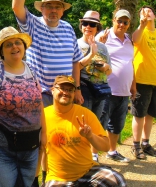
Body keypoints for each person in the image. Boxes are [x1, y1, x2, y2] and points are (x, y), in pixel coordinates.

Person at [0, 26, 46, 187]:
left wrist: (44, 134)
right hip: (0, 151)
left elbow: (39, 105)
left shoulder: (31, 71)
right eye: (8, 44)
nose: (14, 47)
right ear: (2, 51)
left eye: (18, 43)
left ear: (24, 47)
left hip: (30, 147)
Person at [12, 0, 83, 107]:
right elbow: (16, 6)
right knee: (41, 131)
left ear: (63, 10)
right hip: (40, 94)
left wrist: (77, 89)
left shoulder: (68, 28)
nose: (53, 10)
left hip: (66, 93)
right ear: (42, 8)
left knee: (64, 131)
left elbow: (75, 62)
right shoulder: (33, 25)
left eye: (57, 7)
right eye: (49, 6)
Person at [43, 75, 127, 186]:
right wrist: (43, 175)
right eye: (62, 88)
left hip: (87, 171)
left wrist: (90, 136)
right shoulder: (43, 116)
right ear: (53, 90)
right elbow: (39, 150)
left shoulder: (85, 114)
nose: (66, 93)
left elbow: (106, 146)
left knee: (117, 180)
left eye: (70, 90)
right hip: (58, 177)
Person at [96, 9, 137, 163]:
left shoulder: (129, 40)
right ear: (113, 20)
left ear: (128, 24)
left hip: (124, 91)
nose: (122, 24)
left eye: (125, 22)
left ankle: (112, 151)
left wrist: (133, 85)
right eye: (119, 21)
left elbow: (130, 64)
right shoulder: (103, 37)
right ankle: (94, 156)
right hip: (107, 89)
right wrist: (102, 43)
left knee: (117, 125)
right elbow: (94, 57)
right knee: (100, 123)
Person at [131, 5, 156, 160]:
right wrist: (141, 24)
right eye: (143, 12)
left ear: (155, 15)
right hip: (143, 79)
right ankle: (136, 145)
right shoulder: (141, 32)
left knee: (151, 114)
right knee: (139, 114)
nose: (146, 13)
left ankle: (146, 143)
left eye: (149, 11)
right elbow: (135, 39)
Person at [77, 10, 112, 163]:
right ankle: (82, 157)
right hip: (84, 89)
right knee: (83, 124)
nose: (88, 27)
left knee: (97, 124)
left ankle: (94, 156)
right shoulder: (76, 44)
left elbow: (110, 70)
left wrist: (105, 67)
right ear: (81, 26)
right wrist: (77, 89)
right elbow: (75, 68)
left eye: (92, 24)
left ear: (97, 28)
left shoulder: (103, 48)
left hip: (101, 89)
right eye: (85, 23)